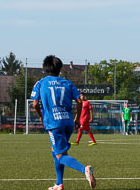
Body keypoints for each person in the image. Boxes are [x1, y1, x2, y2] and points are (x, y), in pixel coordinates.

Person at [31, 55, 96, 190]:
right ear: (60, 69)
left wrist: (41, 116)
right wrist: (77, 118)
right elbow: (79, 101)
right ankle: (59, 184)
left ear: (45, 68)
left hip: (54, 123)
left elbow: (35, 103)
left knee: (60, 155)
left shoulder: (41, 83)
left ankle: (85, 169)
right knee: (56, 151)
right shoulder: (68, 83)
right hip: (68, 122)